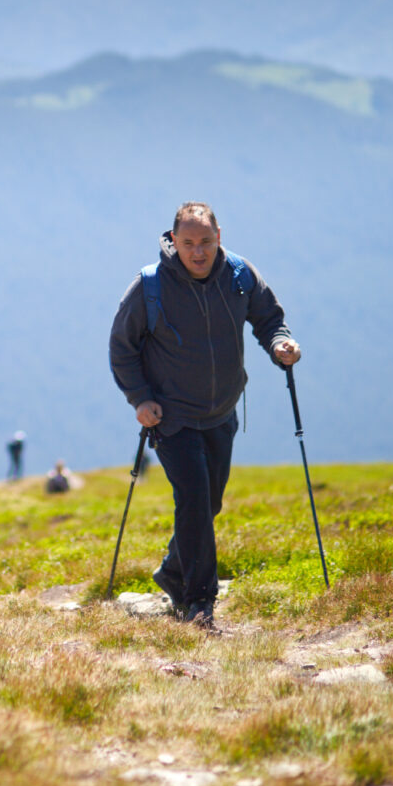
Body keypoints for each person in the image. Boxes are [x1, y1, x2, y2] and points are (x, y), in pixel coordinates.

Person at [109, 201, 300, 630]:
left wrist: (281, 345)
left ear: (219, 237)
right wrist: (140, 399)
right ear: (173, 240)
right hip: (171, 417)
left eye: (206, 242)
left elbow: (269, 319)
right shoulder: (149, 286)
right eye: (189, 243)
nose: (198, 252)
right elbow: (122, 348)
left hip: (222, 411)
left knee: (209, 502)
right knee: (194, 501)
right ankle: (199, 601)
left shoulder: (240, 276)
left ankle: (172, 572)